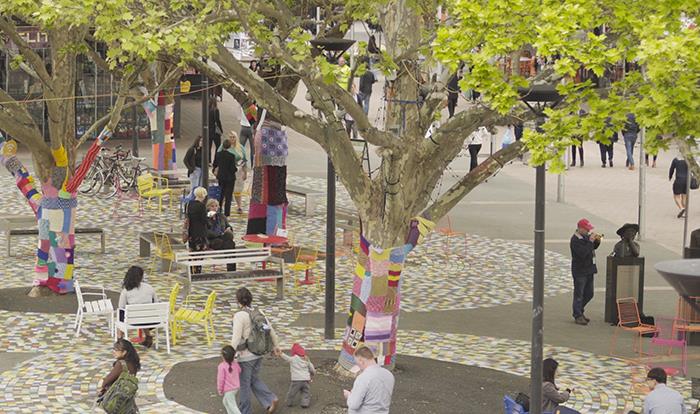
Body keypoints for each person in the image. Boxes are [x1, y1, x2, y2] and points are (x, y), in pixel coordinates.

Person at [231, 287, 280, 414]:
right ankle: (270, 400)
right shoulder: (259, 312)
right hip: (258, 353)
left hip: (245, 356)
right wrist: (276, 346)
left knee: (245, 385)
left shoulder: (239, 316)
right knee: (253, 379)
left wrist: (229, 354)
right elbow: (270, 330)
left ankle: (245, 411)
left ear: (238, 301)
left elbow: (236, 338)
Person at [343, 346, 395, 414]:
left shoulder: (363, 378)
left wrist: (349, 396)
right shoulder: (389, 375)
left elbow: (353, 405)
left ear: (361, 361)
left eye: (357, 363)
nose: (358, 366)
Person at [570, 218, 601, 325]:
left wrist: (597, 240)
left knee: (589, 293)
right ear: (580, 228)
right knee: (579, 294)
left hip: (589, 269)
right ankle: (577, 315)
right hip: (580, 271)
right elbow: (583, 253)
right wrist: (591, 241)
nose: (588, 231)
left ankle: (579, 310)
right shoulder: (575, 240)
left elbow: (593, 247)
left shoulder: (586, 237)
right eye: (586, 229)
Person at [118, 266, 158, 348]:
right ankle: (148, 337)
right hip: (151, 320)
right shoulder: (149, 287)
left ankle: (120, 339)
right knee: (143, 313)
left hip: (134, 321)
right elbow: (156, 302)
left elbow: (121, 306)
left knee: (121, 315)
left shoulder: (126, 291)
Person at [97, 339, 140, 413]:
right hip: (128, 398)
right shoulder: (133, 363)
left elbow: (106, 381)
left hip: (116, 398)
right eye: (114, 349)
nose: (114, 352)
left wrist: (102, 384)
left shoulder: (120, 364)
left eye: (116, 350)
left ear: (124, 352)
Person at [280, 343, 315, 409]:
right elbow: (311, 368)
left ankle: (289, 402)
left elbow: (286, 358)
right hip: (306, 380)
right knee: (305, 392)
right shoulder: (306, 359)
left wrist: (281, 353)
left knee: (292, 392)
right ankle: (305, 403)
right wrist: (313, 373)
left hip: (296, 380)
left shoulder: (293, 359)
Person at [206, 198, 237, 271]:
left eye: (216, 206)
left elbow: (228, 226)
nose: (214, 208)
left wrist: (229, 228)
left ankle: (231, 270)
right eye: (212, 206)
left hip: (223, 238)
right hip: (212, 240)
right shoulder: (206, 217)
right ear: (208, 207)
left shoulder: (221, 216)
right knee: (229, 245)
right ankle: (231, 269)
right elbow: (207, 232)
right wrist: (220, 234)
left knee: (230, 243)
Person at [184, 187, 208, 273]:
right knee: (199, 254)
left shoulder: (189, 204)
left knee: (192, 252)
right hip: (200, 232)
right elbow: (204, 220)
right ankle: (197, 271)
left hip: (191, 231)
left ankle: (191, 271)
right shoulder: (202, 206)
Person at [213, 138, 238, 217]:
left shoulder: (218, 154)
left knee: (221, 194)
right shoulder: (231, 156)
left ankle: (219, 209)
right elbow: (232, 168)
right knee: (228, 196)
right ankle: (227, 212)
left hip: (221, 176)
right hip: (230, 178)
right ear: (229, 146)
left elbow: (215, 164)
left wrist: (215, 171)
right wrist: (236, 168)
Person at [218, 345, 242, 414]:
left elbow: (220, 380)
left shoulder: (221, 366)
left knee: (232, 406)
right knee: (225, 402)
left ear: (223, 356)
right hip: (235, 388)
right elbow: (239, 370)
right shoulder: (235, 364)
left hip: (228, 390)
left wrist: (220, 389)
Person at [239, 100, 257, 167]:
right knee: (252, 148)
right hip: (251, 128)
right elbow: (255, 120)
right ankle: (252, 165)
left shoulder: (243, 107)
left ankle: (243, 162)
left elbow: (238, 117)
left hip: (243, 127)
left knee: (241, 147)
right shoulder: (255, 108)